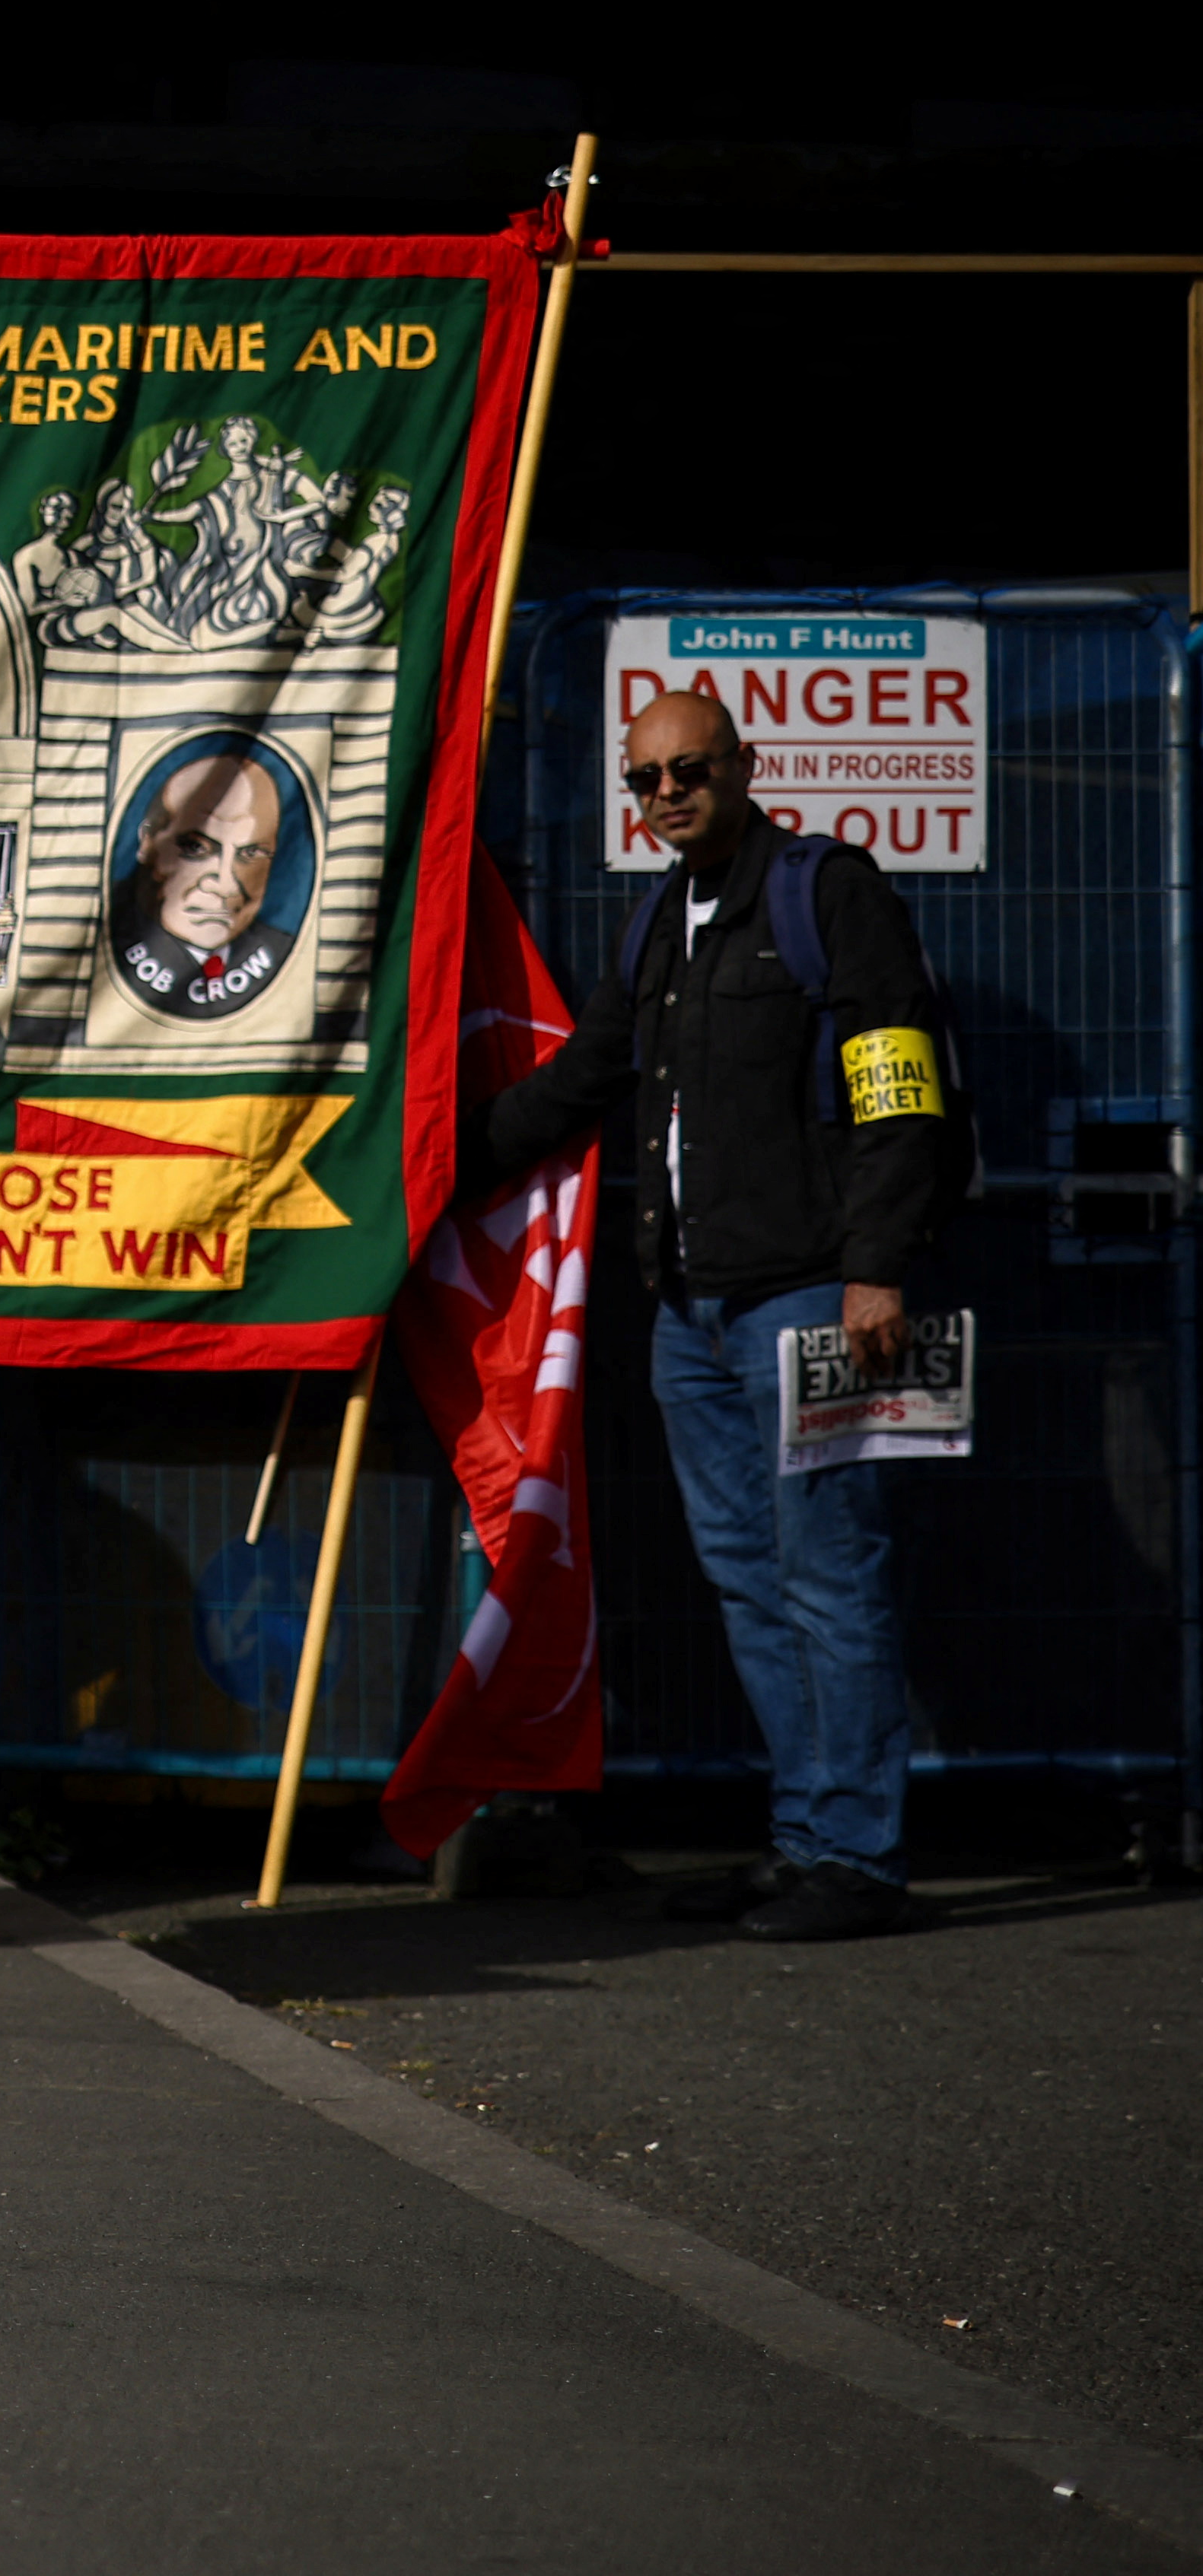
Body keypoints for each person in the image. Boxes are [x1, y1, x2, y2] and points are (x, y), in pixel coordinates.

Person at [478, 678, 957, 1942]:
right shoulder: (656, 928)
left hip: (807, 1298)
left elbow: (895, 1077)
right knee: (748, 1581)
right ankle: (805, 1840)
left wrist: (876, 1263)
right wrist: (426, 1165)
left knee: (828, 1577)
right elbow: (584, 1073)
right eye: (644, 778)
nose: (668, 791)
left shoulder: (821, 889)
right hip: (686, 1314)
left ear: (740, 768)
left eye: (690, 768)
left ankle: (856, 1856)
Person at [111, 736, 304, 1019]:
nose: (225, 886)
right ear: (149, 842)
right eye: (196, 849)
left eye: (250, 854)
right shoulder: (101, 943)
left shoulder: (287, 955)